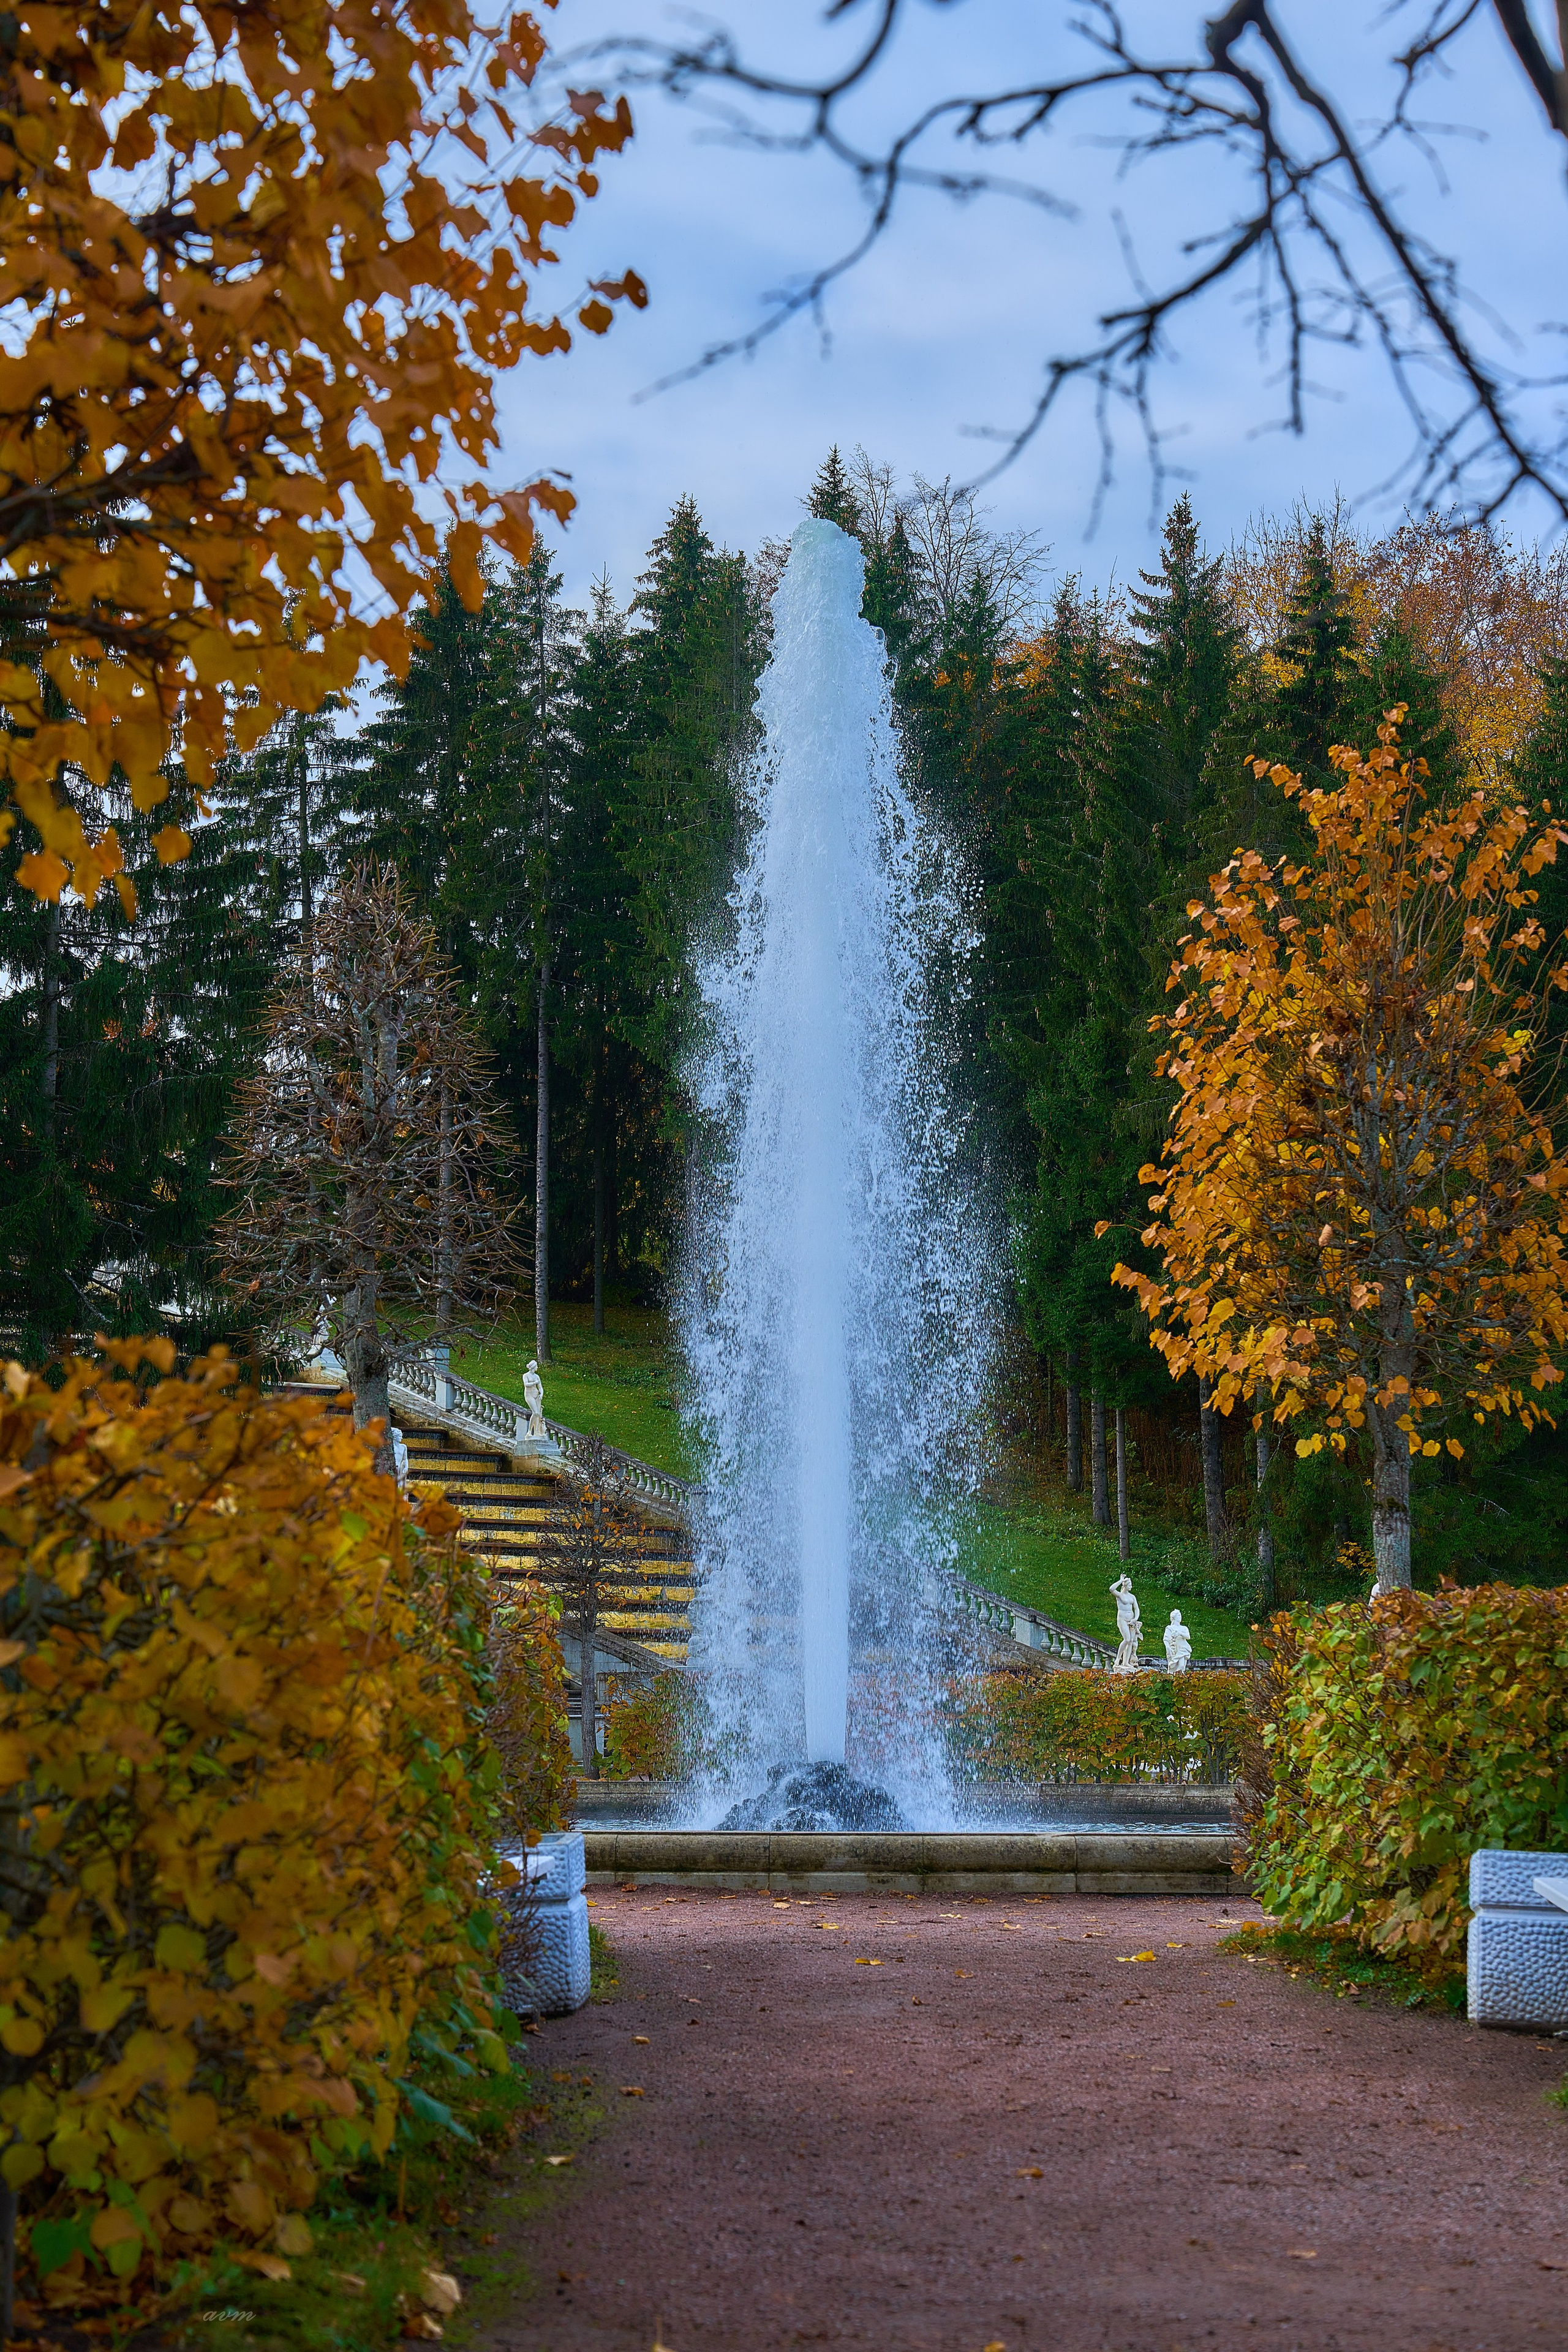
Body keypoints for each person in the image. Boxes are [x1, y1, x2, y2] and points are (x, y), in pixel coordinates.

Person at [1110, 1572, 1142, 1673]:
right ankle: (1118, 1659)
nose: (1131, 1586)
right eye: (1130, 1585)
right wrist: (1121, 1580)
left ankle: (1126, 1662)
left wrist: (1135, 1619)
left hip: (1131, 1620)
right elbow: (1111, 1589)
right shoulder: (1119, 1595)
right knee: (1127, 1639)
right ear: (1125, 1586)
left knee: (1131, 1641)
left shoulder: (1132, 1597)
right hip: (1122, 1619)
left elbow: (1137, 1609)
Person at [1163, 1608, 1193, 1672]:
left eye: (1181, 1615)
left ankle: (1179, 1678)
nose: (1180, 1617)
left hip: (1183, 1648)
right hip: (1174, 1649)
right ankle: (1175, 1678)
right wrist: (1168, 1648)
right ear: (1174, 1617)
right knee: (1173, 1666)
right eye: (1179, 1615)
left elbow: (1188, 1637)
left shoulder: (1184, 1628)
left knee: (1182, 1666)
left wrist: (1180, 1633)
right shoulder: (1170, 1628)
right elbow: (1166, 1639)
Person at [523, 1359, 546, 1438]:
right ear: (533, 1367)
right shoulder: (526, 1375)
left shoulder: (537, 1376)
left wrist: (542, 1393)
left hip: (536, 1395)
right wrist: (534, 1383)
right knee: (535, 1412)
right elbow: (526, 1385)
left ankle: (537, 1432)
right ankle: (529, 1431)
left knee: (538, 1414)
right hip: (529, 1395)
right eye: (536, 1366)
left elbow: (540, 1387)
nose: (537, 1367)